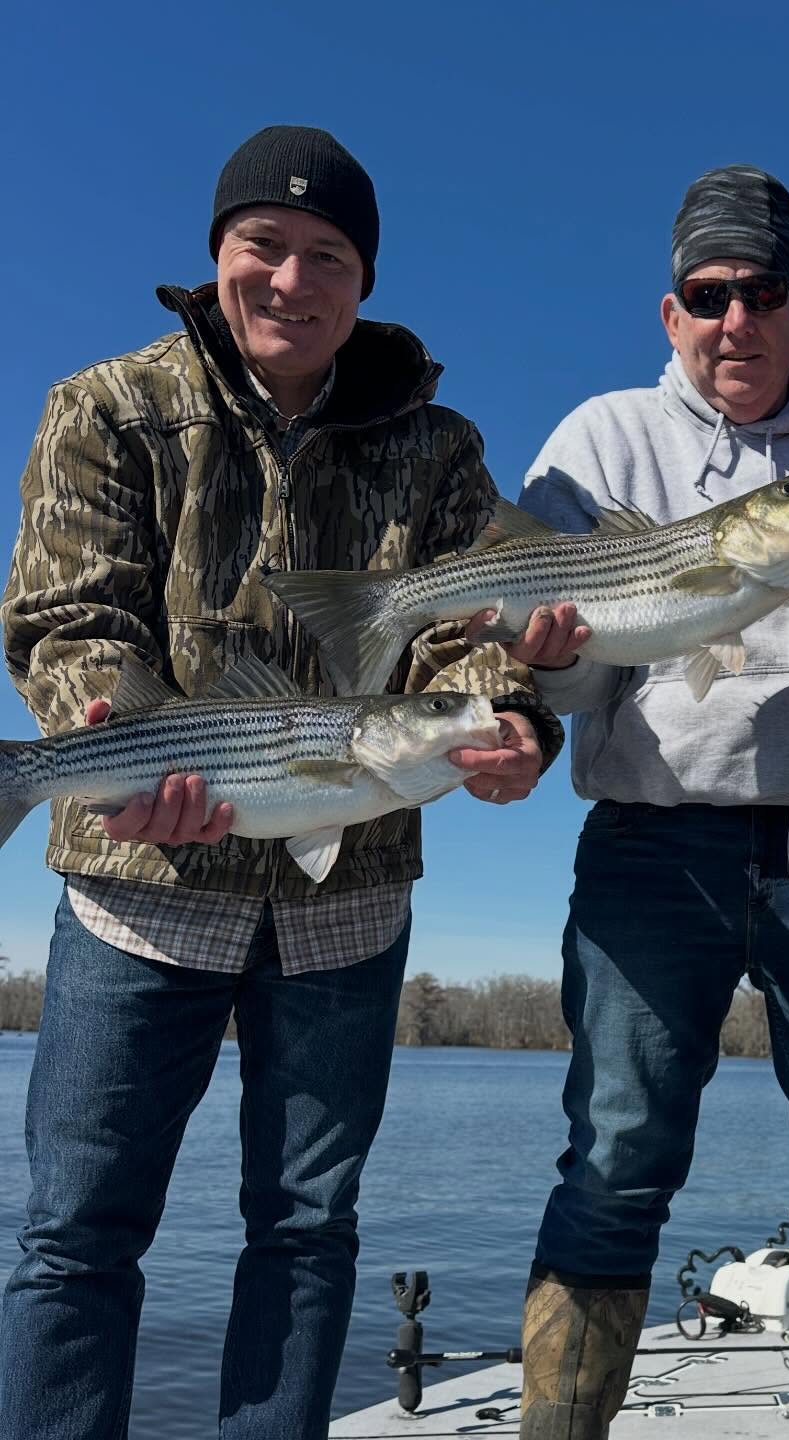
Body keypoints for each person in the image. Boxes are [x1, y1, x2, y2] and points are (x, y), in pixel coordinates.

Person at [0, 125, 562, 1440]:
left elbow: (463, 632)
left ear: (364, 282)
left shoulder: (436, 444)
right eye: (265, 244)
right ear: (217, 253)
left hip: (346, 907)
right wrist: (106, 731)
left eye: (329, 257)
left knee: (307, 1231)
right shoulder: (108, 406)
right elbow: (68, 617)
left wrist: (513, 720)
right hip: (142, 887)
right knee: (78, 1233)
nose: (292, 281)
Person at [494, 164, 789, 1440]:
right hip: (651, 844)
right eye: (708, 294)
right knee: (615, 1159)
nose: (736, 320)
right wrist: (550, 659)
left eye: (765, 292)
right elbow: (576, 684)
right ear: (671, 311)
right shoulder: (599, 439)